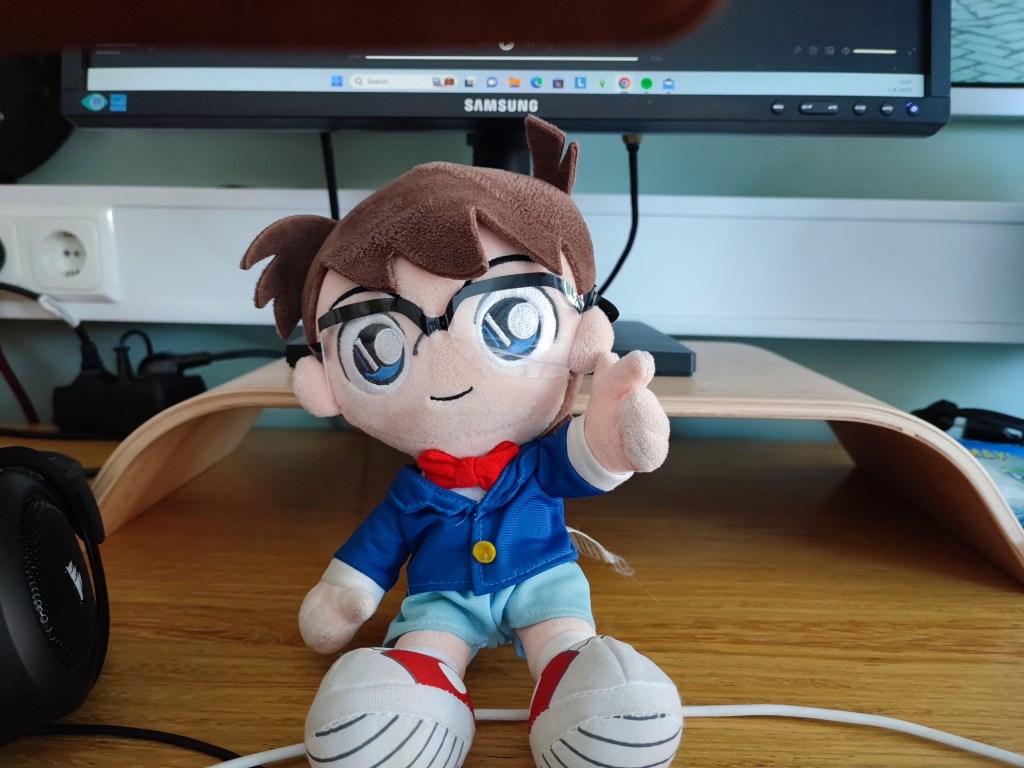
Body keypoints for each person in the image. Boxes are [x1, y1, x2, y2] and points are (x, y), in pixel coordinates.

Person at [242, 115, 681, 768]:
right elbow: (370, 559)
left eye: (509, 315)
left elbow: (595, 459)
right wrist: (343, 598)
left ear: (582, 332)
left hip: (546, 587)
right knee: (422, 649)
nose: (446, 356)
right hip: (440, 603)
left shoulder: (536, 464)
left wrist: (618, 422)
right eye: (377, 342)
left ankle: (578, 684)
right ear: (323, 383)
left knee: (570, 645)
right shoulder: (411, 494)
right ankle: (414, 690)